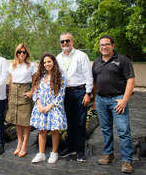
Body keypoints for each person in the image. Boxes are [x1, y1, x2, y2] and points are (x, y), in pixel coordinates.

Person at [92, 35, 135, 174]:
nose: (104, 47)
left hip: (117, 100)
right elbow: (94, 82)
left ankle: (127, 161)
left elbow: (131, 80)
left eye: (107, 44)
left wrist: (124, 100)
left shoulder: (122, 60)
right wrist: (94, 100)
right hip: (101, 100)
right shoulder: (97, 62)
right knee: (105, 129)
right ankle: (108, 154)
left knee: (123, 131)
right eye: (101, 45)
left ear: (112, 45)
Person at [56, 32, 93, 162]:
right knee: (69, 122)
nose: (65, 43)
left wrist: (88, 93)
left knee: (80, 123)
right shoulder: (58, 58)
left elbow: (88, 75)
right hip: (65, 93)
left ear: (72, 41)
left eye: (67, 41)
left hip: (80, 92)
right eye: (62, 42)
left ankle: (80, 151)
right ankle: (70, 147)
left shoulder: (81, 56)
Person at [30, 53, 67, 164]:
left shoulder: (60, 76)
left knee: (54, 131)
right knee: (42, 130)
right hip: (41, 107)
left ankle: (54, 153)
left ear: (54, 62)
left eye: (49, 61)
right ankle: (41, 154)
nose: (47, 64)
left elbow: (61, 94)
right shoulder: (40, 76)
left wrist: (48, 107)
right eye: (44, 62)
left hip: (53, 107)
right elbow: (35, 92)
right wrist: (40, 105)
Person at [5, 43, 37, 157]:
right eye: (19, 52)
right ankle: (19, 143)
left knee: (25, 121)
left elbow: (35, 81)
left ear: (26, 53)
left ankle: (25, 144)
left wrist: (32, 92)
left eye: (24, 52)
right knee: (18, 121)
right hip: (14, 93)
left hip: (25, 92)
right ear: (16, 53)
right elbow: (11, 81)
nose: (21, 54)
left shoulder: (31, 66)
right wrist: (9, 96)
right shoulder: (12, 65)